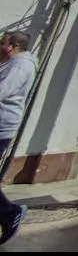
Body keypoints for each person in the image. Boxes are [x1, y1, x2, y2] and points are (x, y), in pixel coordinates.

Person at [0, 33, 36, 243]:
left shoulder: (20, 66)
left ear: (12, 46)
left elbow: (2, 91)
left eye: (1, 43)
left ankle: (9, 213)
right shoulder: (11, 63)